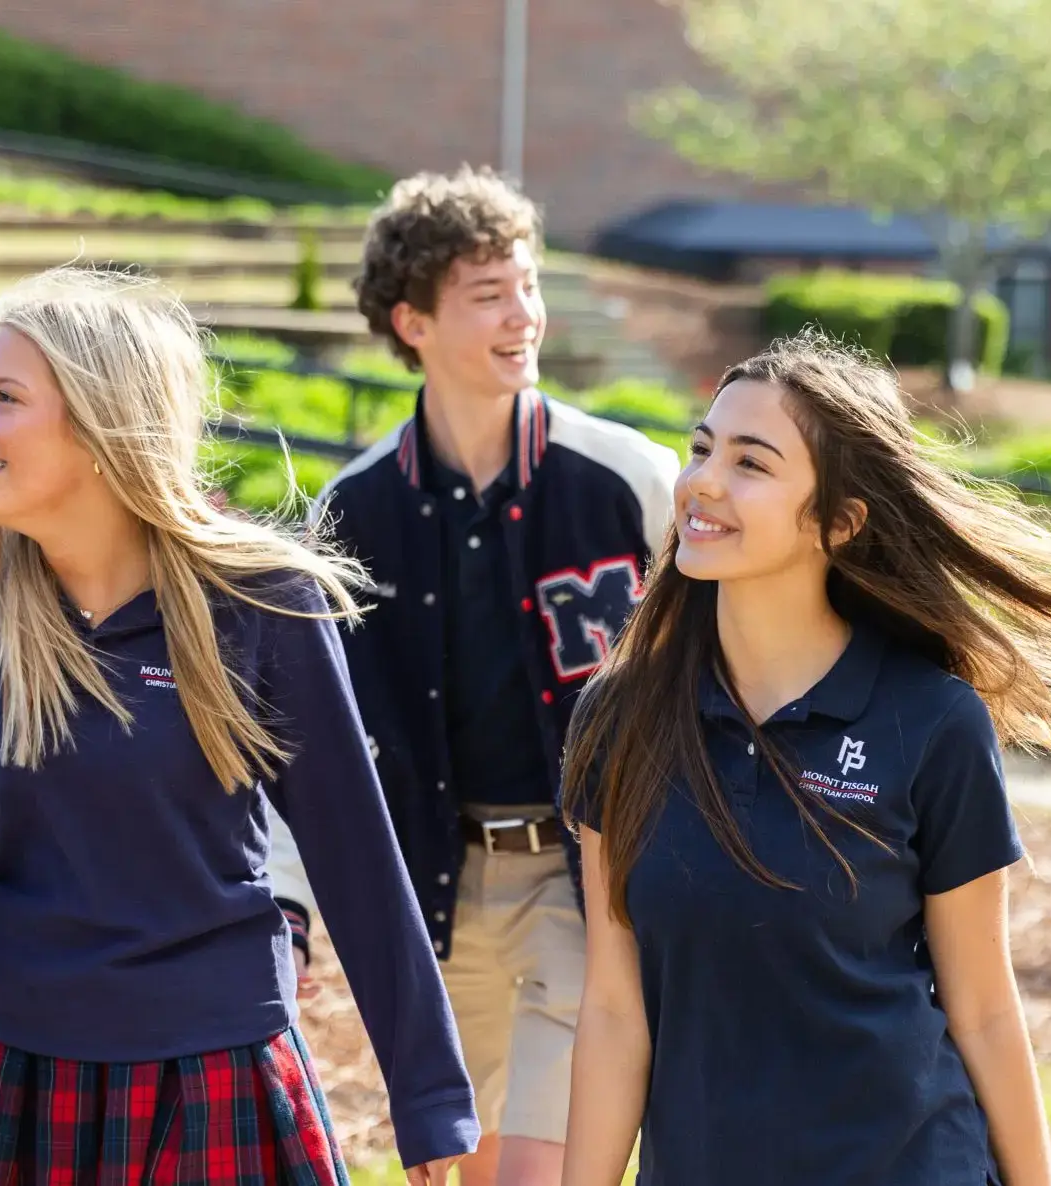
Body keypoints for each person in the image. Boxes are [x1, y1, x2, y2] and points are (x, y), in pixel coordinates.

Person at [555, 332, 1051, 1186]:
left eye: (752, 463)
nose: (703, 482)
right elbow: (614, 1010)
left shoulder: (932, 721)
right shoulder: (622, 716)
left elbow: (981, 1009)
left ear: (839, 521)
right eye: (703, 448)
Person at [0, 267, 475, 1186]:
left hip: (218, 1079)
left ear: (100, 428)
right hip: (6, 1075)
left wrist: (428, 1096)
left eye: (3, 397)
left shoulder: (261, 604)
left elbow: (354, 852)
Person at [266, 165, 678, 1186]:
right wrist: (290, 906)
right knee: (472, 1168)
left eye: (527, 284)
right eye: (487, 293)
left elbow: (708, 670)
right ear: (411, 320)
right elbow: (309, 732)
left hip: (585, 886)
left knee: (541, 1171)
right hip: (433, 896)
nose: (522, 314)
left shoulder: (631, 479)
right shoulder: (350, 516)